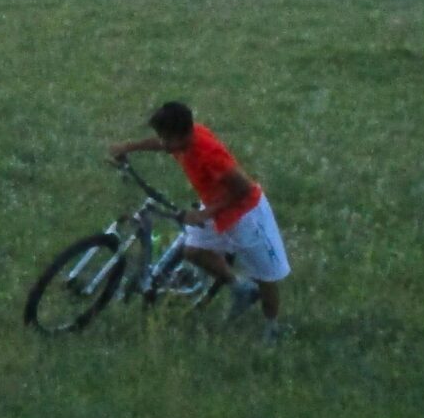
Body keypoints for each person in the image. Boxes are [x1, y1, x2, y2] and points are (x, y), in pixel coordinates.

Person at [108, 100, 290, 342]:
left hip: (246, 215)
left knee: (265, 275)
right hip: (215, 205)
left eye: (167, 139)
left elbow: (243, 189)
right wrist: (128, 147)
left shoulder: (209, 154)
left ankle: (272, 327)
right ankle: (240, 289)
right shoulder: (180, 142)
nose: (164, 145)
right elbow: (159, 145)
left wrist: (205, 214)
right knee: (193, 251)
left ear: (183, 134)